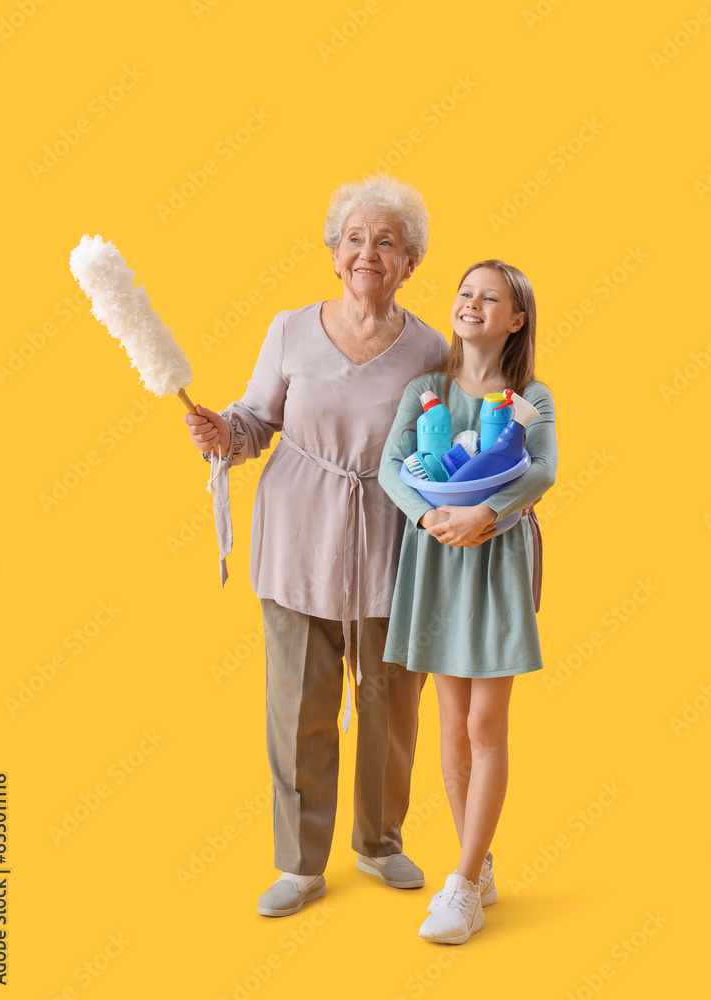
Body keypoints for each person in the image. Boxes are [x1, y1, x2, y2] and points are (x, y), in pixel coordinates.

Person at [184, 175, 448, 917]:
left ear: (410, 262)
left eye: (386, 242)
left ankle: (379, 843)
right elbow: (255, 420)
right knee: (298, 703)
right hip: (299, 539)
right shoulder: (289, 330)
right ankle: (300, 864)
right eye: (355, 239)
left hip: (392, 545)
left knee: (391, 704)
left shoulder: (431, 347)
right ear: (335, 254)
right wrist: (223, 433)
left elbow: (436, 449)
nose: (368, 252)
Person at [378, 259, 558, 944]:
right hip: (435, 560)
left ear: (516, 319)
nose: (472, 304)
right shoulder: (425, 389)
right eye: (464, 293)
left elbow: (541, 468)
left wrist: (486, 512)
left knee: (486, 726)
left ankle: (459, 889)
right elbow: (393, 466)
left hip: (495, 564)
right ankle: (474, 866)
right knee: (451, 727)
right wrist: (428, 519)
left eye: (491, 298)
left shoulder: (530, 396)